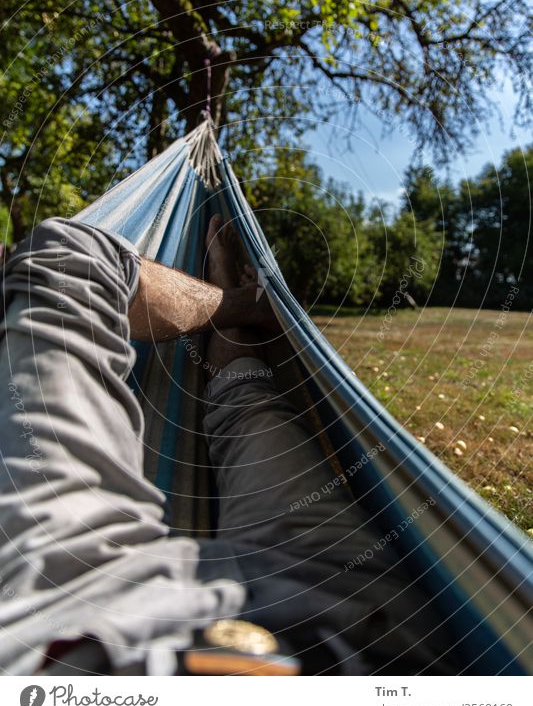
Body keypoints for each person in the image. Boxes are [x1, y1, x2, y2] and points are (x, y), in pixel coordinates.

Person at [0, 215, 458, 675]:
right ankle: (241, 304)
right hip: (349, 610)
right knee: (247, 405)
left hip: (68, 597)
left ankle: (234, 304)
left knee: (67, 256)